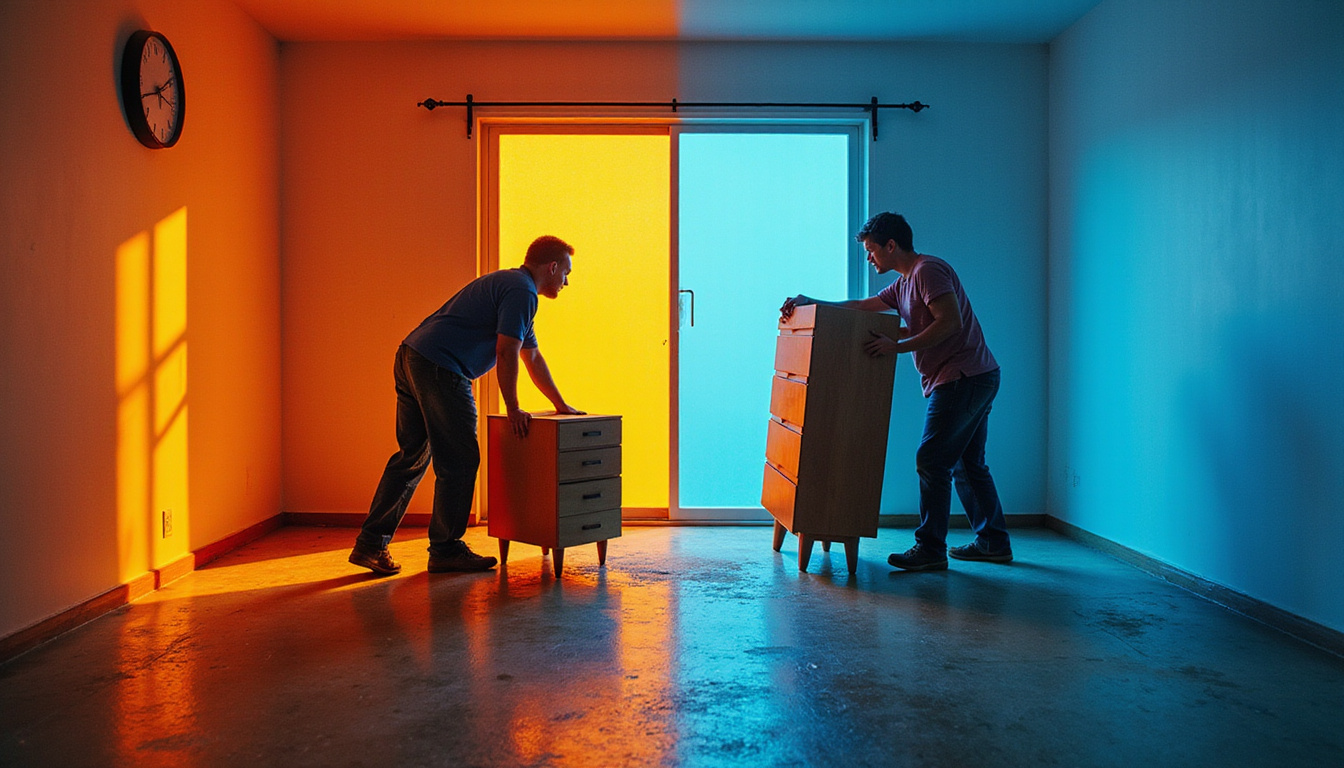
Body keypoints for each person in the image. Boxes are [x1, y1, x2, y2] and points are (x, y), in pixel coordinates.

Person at [780, 212, 1011, 571]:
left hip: (963, 377)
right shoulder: (903, 283)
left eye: (872, 250)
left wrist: (895, 347)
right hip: (974, 375)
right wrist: (811, 302)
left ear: (891, 245)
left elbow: (950, 322)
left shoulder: (927, 271)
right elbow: (860, 308)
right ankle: (993, 541)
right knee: (968, 464)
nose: (869, 258)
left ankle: (930, 549)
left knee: (932, 460)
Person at [348, 235, 583, 575]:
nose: (566, 282)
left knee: (411, 457)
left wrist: (561, 404)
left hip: (412, 356)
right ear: (552, 266)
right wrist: (514, 407)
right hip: (442, 367)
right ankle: (446, 549)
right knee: (460, 460)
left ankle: (370, 545)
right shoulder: (522, 292)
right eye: (566, 273)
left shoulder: (513, 288)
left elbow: (532, 357)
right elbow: (506, 353)